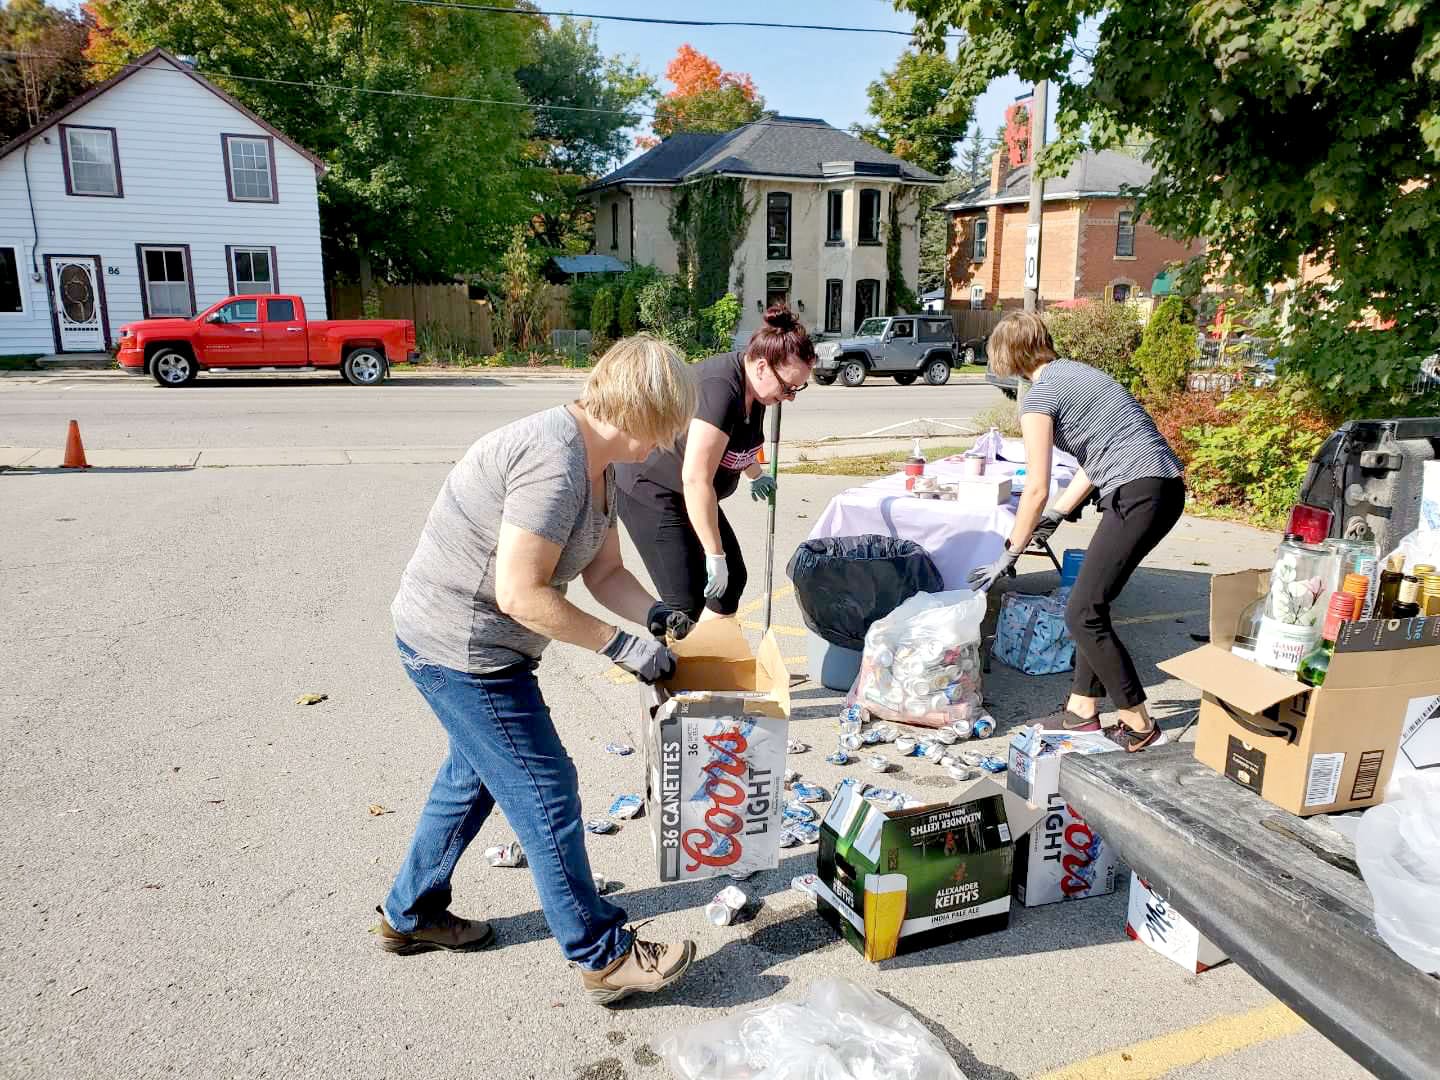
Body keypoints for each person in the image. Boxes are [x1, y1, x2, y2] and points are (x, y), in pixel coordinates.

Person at [378, 335, 700, 1006]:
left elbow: (605, 572)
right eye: (667, 424)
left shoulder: (600, 465)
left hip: (473, 644)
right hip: (461, 649)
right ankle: (603, 956)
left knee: (473, 778)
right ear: (637, 409)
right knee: (546, 790)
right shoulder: (554, 461)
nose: (669, 441)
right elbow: (520, 595)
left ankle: (410, 913)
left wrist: (656, 615)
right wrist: (620, 648)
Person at [969, 312, 1186, 751]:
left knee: (1082, 612)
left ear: (1007, 355)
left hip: (1138, 493)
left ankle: (1140, 725)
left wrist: (1010, 552)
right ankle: (1081, 710)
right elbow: (1099, 454)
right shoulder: (1080, 374)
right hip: (1161, 488)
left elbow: (1035, 486)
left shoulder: (1039, 395)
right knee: (1091, 606)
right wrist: (1059, 512)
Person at [616, 306, 817, 621]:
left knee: (730, 581)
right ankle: (676, 653)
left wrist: (755, 474)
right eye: (788, 387)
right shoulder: (720, 389)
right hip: (651, 487)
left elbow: (736, 440)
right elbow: (696, 479)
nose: (790, 396)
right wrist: (714, 553)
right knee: (685, 600)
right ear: (762, 367)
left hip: (690, 489)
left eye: (798, 388)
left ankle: (712, 648)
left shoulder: (759, 391)